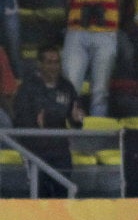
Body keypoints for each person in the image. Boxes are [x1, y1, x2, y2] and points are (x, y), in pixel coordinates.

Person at [13, 44, 84, 198]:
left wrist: (77, 119)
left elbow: (75, 119)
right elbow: (19, 120)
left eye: (57, 62)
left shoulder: (67, 86)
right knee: (39, 197)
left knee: (62, 197)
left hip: (61, 152)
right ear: (40, 64)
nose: (54, 66)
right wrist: (37, 122)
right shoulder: (27, 88)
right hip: (35, 152)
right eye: (49, 62)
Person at [61, 0, 128, 117]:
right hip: (77, 29)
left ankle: (97, 128)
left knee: (100, 89)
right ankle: (69, 125)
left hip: (106, 31)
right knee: (71, 84)